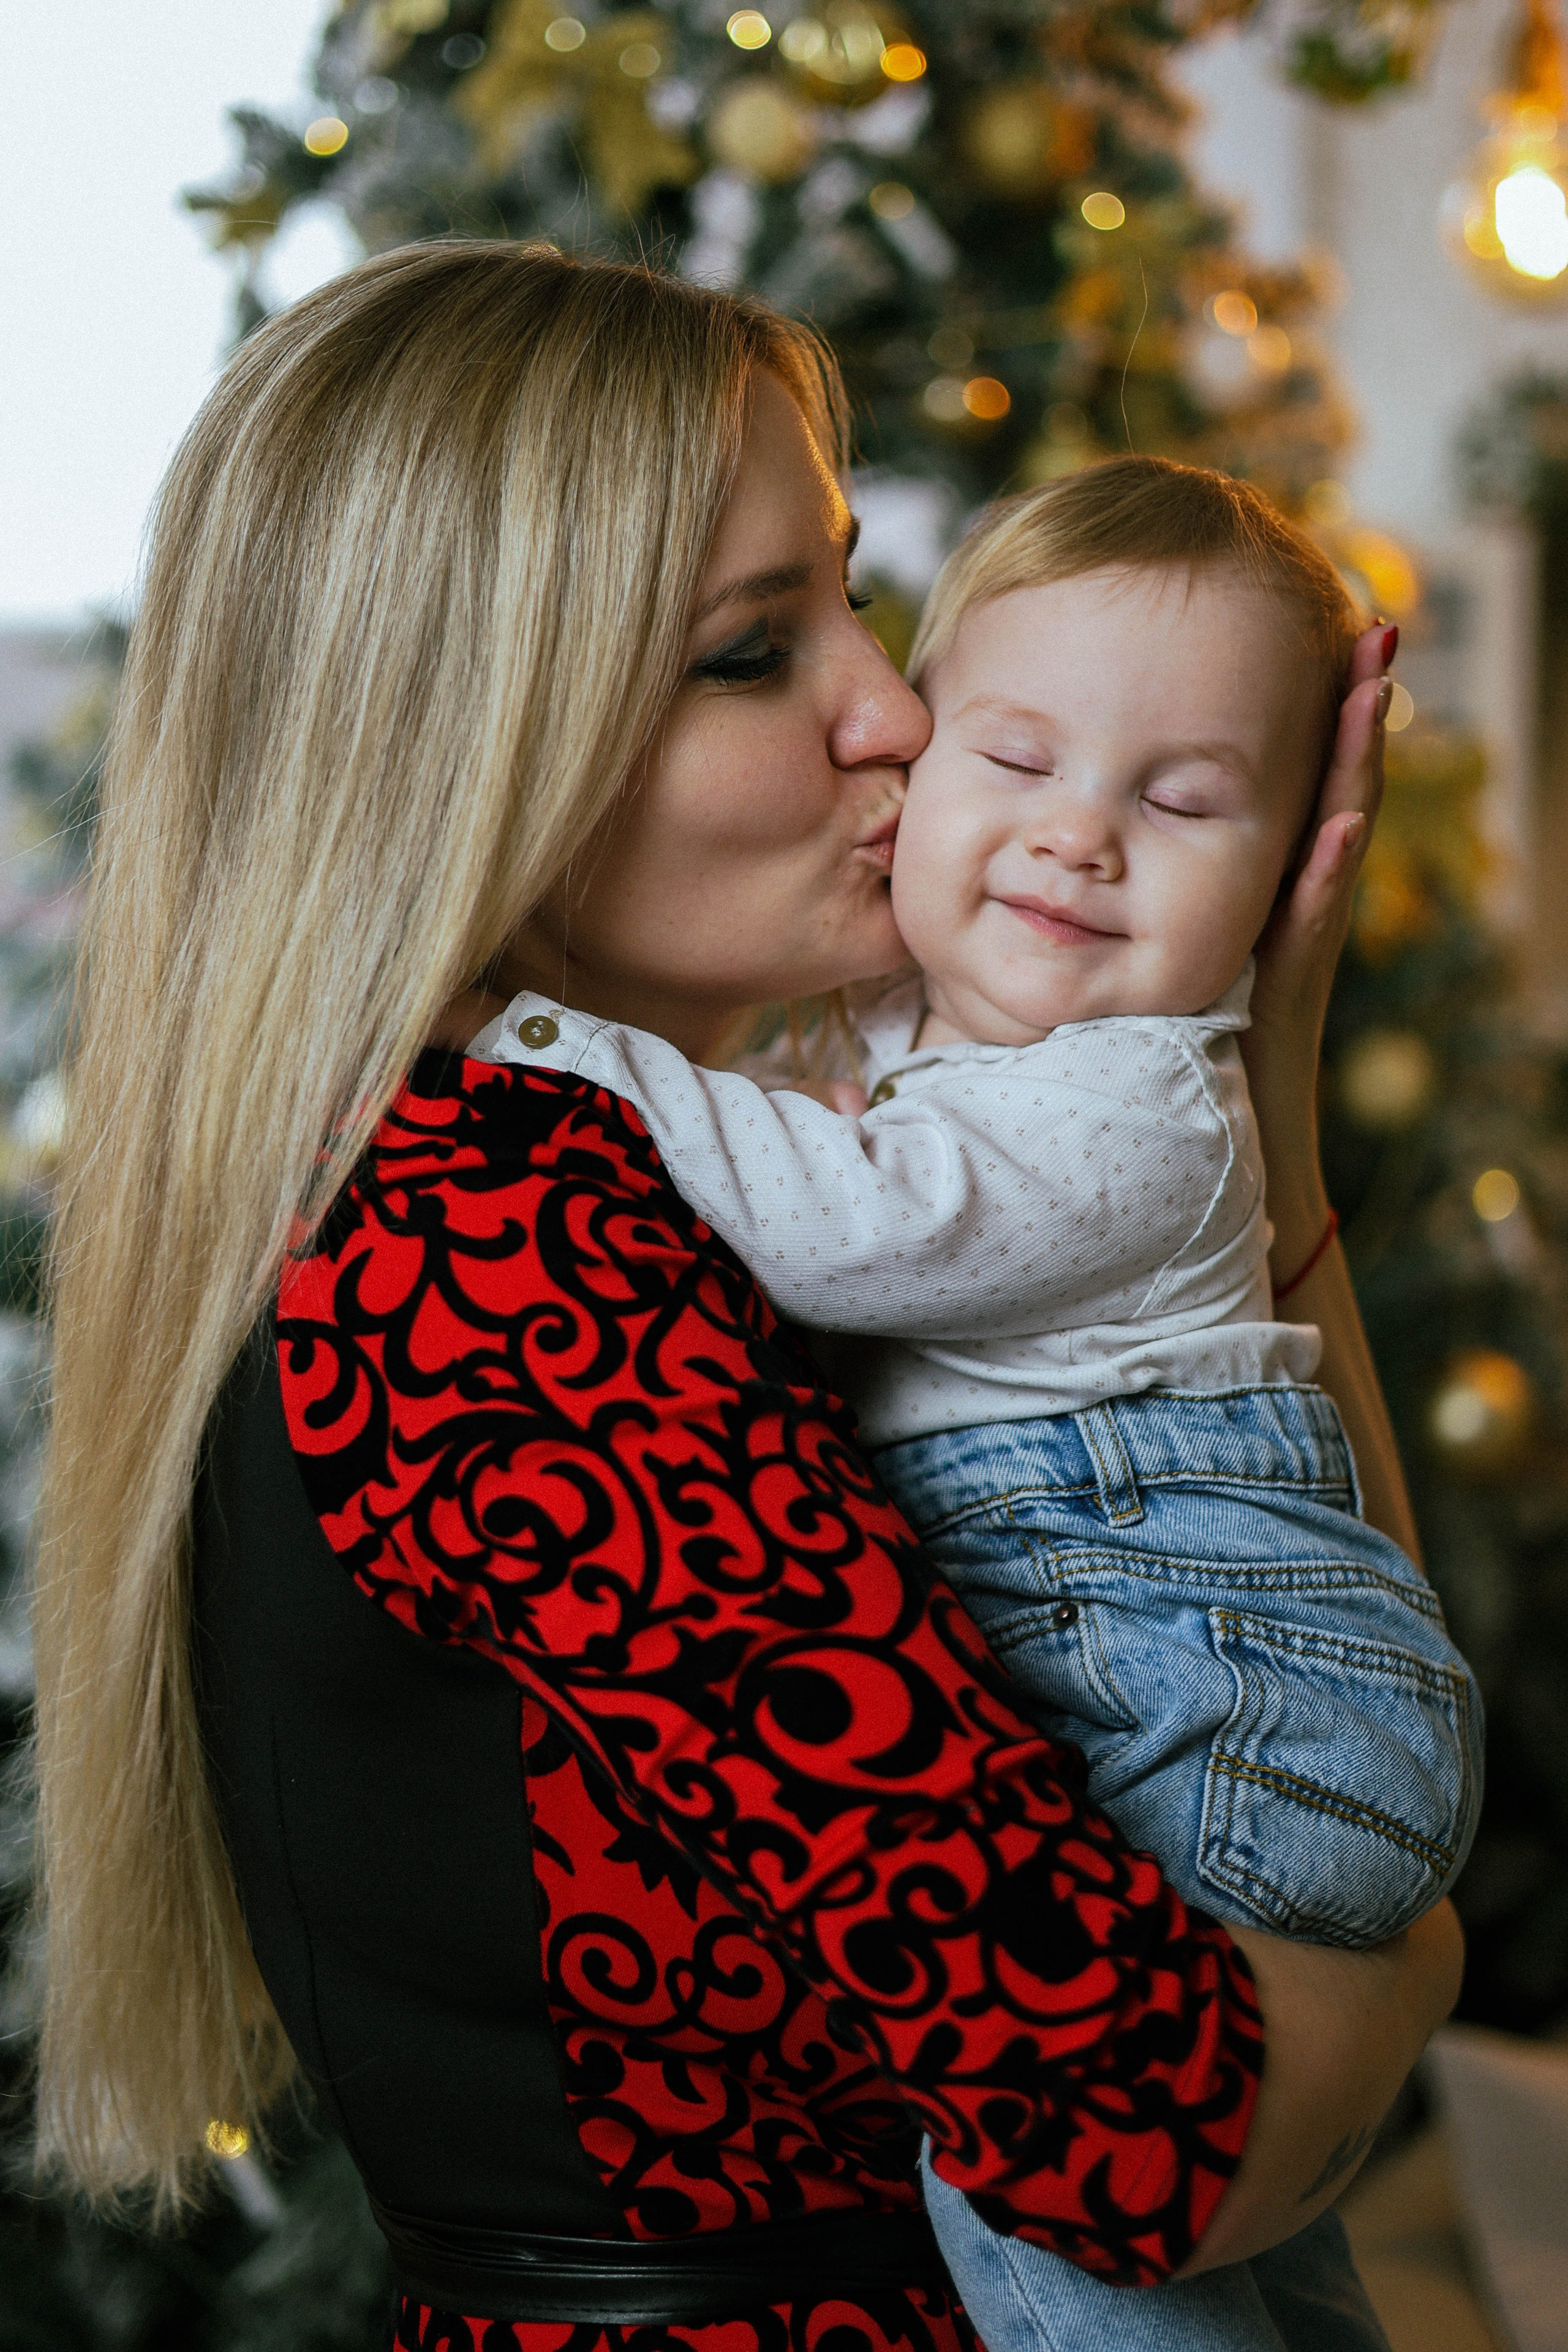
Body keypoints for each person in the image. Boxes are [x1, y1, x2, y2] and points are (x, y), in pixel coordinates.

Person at [31, 243, 1462, 2352]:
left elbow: (1291, 1570)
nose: (896, 708)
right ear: (474, 747)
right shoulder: (490, 1253)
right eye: (747, 651)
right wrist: (1420, 1954)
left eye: (856, 595)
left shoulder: (600, 1174)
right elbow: (1154, 2129)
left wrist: (1261, 1093)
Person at [476, 456, 1483, 2350]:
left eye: (1182, 803)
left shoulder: (1133, 1108)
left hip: (1230, 1697)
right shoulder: (902, 1044)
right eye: (1011, 762)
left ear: (1282, 880)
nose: (1080, 837)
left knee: (1047, 2186)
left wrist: (553, 1048)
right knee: (1262, 2263)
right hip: (1214, 1665)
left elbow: (846, 1227)